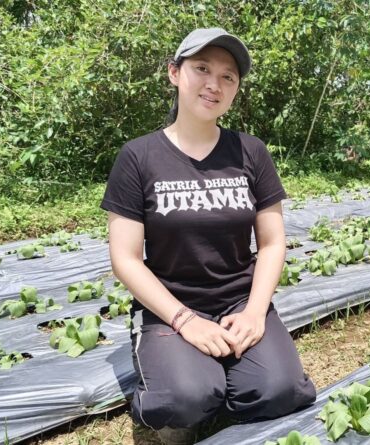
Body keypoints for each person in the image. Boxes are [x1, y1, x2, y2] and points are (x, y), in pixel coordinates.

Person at [100, 28, 317, 444]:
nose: (214, 84)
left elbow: (272, 243)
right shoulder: (139, 157)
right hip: (171, 304)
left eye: (227, 76)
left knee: (281, 390)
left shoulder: (250, 152)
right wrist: (185, 321)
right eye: (202, 69)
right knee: (184, 398)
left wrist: (255, 313)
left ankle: (223, 379)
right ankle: (188, 381)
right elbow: (125, 257)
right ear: (174, 73)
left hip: (238, 300)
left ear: (235, 89)